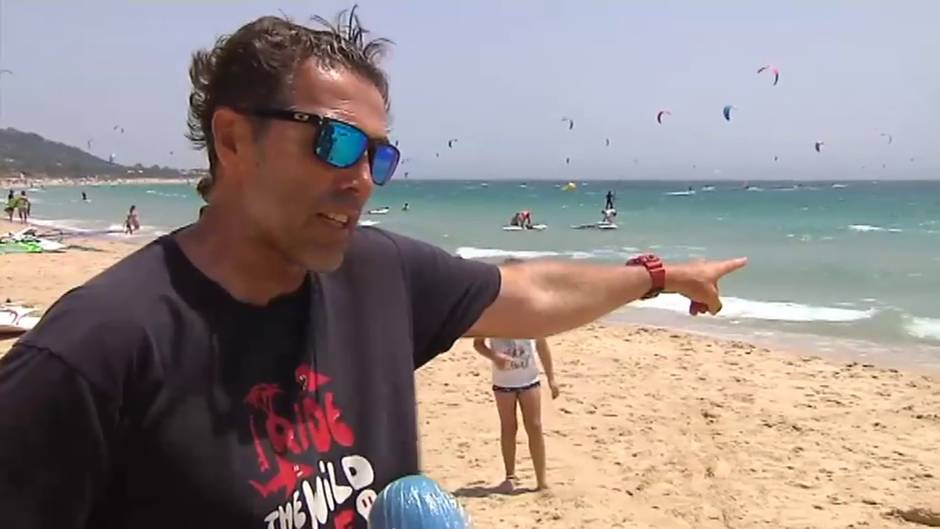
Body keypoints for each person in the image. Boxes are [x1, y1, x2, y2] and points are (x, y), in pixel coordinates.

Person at [0, 10, 746, 529]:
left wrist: (660, 273)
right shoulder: (97, 351)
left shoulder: (379, 274)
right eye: (333, 142)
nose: (361, 177)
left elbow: (530, 291)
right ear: (232, 140)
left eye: (378, 156)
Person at [473, 282, 559, 491]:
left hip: (529, 379)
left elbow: (541, 346)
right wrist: (495, 356)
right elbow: (478, 343)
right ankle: (510, 475)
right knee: (509, 428)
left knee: (535, 427)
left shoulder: (530, 313)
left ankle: (541, 481)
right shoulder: (491, 313)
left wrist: (552, 378)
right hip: (503, 382)